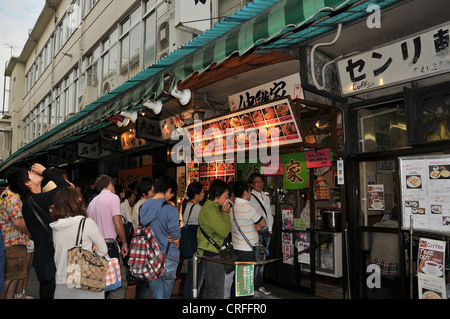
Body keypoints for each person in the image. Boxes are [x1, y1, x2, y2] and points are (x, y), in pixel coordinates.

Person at [7, 163, 71, 299]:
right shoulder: (35, 200)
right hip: (47, 259)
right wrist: (46, 171)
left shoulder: (33, 201)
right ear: (27, 183)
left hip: (45, 258)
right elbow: (66, 187)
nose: (35, 172)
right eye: (31, 173)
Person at [50, 187, 108, 299]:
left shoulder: (55, 226)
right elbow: (103, 250)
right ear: (76, 201)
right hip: (86, 281)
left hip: (61, 283)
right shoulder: (86, 223)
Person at [87, 174, 128, 299]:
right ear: (110, 184)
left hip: (95, 248)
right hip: (110, 246)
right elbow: (117, 221)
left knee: (101, 284)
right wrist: (125, 242)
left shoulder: (92, 203)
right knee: (118, 283)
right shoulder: (113, 198)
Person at [139, 175, 180, 299]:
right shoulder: (170, 209)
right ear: (168, 190)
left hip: (150, 258)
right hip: (169, 258)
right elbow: (176, 236)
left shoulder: (143, 207)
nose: (171, 196)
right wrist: (175, 238)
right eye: (172, 193)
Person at [230, 181, 267, 298]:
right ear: (246, 192)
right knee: (245, 282)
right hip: (247, 249)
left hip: (236, 247)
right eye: (249, 191)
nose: (250, 193)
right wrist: (258, 226)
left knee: (238, 279)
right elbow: (264, 223)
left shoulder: (232, 207)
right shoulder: (247, 208)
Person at [197, 179, 231, 299]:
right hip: (213, 253)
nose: (227, 199)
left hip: (213, 251)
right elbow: (224, 231)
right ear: (218, 194)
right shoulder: (210, 210)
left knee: (211, 287)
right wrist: (226, 213)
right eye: (226, 195)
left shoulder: (214, 207)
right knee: (217, 290)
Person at [0, 187, 30, 299]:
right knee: (9, 280)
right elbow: (18, 223)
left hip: (9, 242)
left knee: (13, 278)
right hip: (13, 242)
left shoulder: (5, 195)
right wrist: (32, 233)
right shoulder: (13, 198)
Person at [248, 172, 273, 295]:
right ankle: (253, 287)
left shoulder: (266, 196)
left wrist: (270, 229)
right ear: (252, 184)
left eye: (261, 181)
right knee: (256, 260)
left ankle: (259, 286)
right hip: (256, 233)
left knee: (262, 261)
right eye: (257, 182)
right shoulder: (250, 197)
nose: (260, 184)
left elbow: (269, 214)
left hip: (266, 231)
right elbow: (249, 214)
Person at [132, 176, 156, 299]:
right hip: (146, 246)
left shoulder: (139, 204)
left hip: (140, 245)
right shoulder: (145, 205)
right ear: (144, 192)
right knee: (145, 283)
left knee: (143, 281)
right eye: (152, 191)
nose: (154, 193)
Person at [181, 181, 205, 299]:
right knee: (197, 278)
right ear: (196, 195)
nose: (204, 194)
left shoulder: (186, 206)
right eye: (202, 192)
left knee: (190, 277)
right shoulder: (199, 208)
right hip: (197, 247)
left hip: (189, 246)